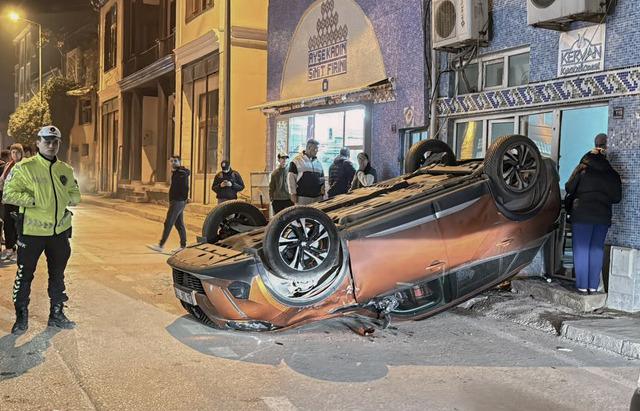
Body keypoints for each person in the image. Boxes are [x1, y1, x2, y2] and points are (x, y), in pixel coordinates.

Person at [4, 125, 81, 334]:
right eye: (46, 140)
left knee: (58, 275)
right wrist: (34, 199)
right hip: (32, 233)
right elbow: (8, 194)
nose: (51, 145)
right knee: (24, 275)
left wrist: (70, 198)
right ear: (38, 143)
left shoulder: (65, 169)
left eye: (55, 142)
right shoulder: (24, 167)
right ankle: (21, 317)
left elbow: (75, 193)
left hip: (58, 234)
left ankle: (56, 314)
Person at [565, 133, 621, 294]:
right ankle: (593, 285)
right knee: (596, 249)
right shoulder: (612, 174)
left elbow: (569, 187)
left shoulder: (582, 168)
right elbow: (617, 198)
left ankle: (582, 286)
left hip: (582, 215)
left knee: (582, 249)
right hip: (602, 217)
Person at [147, 155, 190, 254]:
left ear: (179, 161)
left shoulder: (181, 173)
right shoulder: (176, 173)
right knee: (179, 224)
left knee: (169, 222)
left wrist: (183, 199)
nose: (173, 163)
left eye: (175, 161)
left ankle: (161, 245)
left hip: (178, 201)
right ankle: (183, 245)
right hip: (176, 201)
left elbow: (185, 187)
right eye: (171, 161)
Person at [0, 143, 25, 261]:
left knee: (18, 226)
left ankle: (18, 250)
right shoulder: (8, 165)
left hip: (18, 201)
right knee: (7, 225)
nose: (15, 154)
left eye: (17, 152)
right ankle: (9, 248)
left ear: (21, 153)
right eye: (13, 152)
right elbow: (3, 180)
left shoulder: (24, 166)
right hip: (7, 200)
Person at [287, 139, 325, 205]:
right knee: (302, 215)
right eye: (315, 149)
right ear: (309, 147)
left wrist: (323, 190)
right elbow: (291, 178)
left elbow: (322, 178)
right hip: (302, 197)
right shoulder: (297, 161)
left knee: (316, 215)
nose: (317, 151)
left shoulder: (318, 163)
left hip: (318, 198)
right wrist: (293, 193)